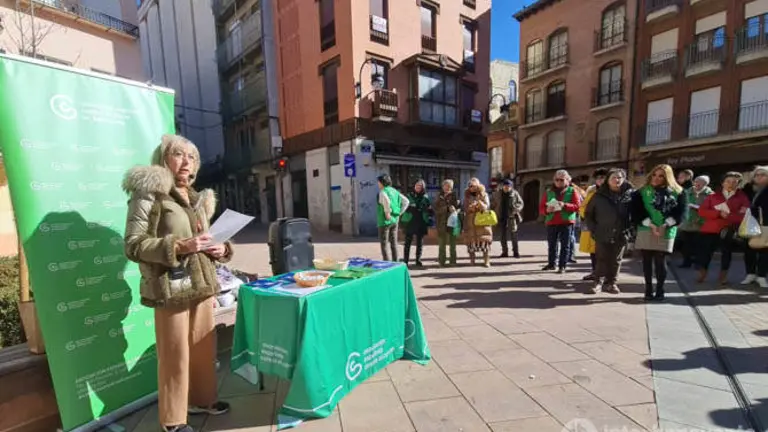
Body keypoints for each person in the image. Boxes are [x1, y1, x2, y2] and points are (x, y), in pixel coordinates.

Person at [123, 134, 233, 432]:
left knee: (202, 350)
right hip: (170, 288)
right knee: (175, 355)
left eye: (192, 157)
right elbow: (133, 245)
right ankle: (172, 421)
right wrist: (178, 247)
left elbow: (209, 239)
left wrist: (221, 249)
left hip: (202, 286)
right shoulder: (148, 194)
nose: (187, 162)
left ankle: (202, 401)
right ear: (163, 158)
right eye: (179, 154)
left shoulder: (196, 198)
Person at [632, 164, 687, 301]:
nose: (656, 178)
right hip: (646, 228)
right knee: (646, 260)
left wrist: (665, 225)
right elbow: (636, 211)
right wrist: (650, 224)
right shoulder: (642, 191)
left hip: (666, 229)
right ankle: (648, 289)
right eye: (655, 175)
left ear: (667, 177)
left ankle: (660, 290)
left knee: (660, 260)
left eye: (661, 176)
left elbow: (681, 213)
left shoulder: (679, 192)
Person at [585, 168, 634, 294]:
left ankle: (611, 283)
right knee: (601, 258)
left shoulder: (630, 194)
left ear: (624, 179)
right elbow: (589, 214)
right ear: (608, 180)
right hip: (602, 232)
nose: (616, 180)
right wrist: (594, 229)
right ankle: (597, 283)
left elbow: (636, 213)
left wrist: (631, 230)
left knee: (616, 260)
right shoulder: (598, 195)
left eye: (619, 177)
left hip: (621, 232)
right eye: (614, 177)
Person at [696, 172, 751, 285]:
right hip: (710, 229)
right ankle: (702, 272)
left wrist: (730, 216)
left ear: (738, 184)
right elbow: (702, 211)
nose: (731, 184)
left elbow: (745, 214)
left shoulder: (742, 197)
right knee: (705, 253)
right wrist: (718, 213)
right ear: (722, 183)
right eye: (728, 181)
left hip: (728, 229)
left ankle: (723, 275)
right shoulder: (713, 196)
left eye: (734, 182)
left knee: (727, 253)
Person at [539, 170, 582, 273]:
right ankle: (551, 264)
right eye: (556, 180)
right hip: (551, 221)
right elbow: (541, 207)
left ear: (568, 180)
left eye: (561, 180)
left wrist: (565, 205)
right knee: (552, 245)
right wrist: (546, 210)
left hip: (566, 222)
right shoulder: (548, 191)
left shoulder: (572, 191)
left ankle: (562, 266)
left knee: (565, 245)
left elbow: (578, 207)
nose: (558, 182)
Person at [678, 175, 713, 269]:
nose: (697, 184)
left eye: (700, 182)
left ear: (705, 184)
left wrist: (697, 208)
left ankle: (698, 263)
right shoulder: (687, 192)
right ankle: (686, 262)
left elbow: (712, 209)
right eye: (696, 181)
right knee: (685, 245)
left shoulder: (710, 195)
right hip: (687, 223)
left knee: (699, 245)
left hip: (701, 223)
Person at [579, 168, 608, 281]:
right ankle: (595, 272)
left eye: (603, 177)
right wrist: (585, 215)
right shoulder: (591, 191)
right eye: (598, 178)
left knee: (606, 252)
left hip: (607, 226)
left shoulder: (612, 191)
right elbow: (583, 206)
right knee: (593, 251)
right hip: (592, 225)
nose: (600, 180)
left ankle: (606, 275)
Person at [742, 166, 768, 288]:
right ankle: (750, 274)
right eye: (757, 175)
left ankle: (761, 276)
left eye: (763, 174)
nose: (759, 177)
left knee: (764, 250)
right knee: (749, 249)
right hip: (749, 224)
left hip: (765, 224)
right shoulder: (747, 189)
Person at [376, 174, 410, 262]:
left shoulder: (383, 191)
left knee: (384, 244)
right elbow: (406, 201)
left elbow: (386, 201)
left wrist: (387, 213)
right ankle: (396, 262)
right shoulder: (395, 191)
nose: (378, 184)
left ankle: (387, 263)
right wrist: (399, 213)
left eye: (378, 182)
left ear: (382, 182)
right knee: (394, 243)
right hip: (395, 220)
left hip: (385, 221)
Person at [464, 177, 493, 267]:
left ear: (478, 186)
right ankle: (472, 261)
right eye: (470, 186)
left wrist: (480, 204)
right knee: (471, 242)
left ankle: (486, 261)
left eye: (474, 186)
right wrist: (470, 207)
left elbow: (487, 207)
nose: (472, 187)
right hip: (471, 222)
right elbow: (464, 208)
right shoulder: (467, 196)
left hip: (482, 222)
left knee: (485, 241)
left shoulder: (484, 195)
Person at [402, 179, 432, 267]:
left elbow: (430, 210)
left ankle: (418, 260)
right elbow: (403, 207)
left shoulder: (426, 198)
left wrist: (427, 210)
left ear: (423, 188)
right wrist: (411, 208)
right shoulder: (409, 196)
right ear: (414, 186)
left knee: (420, 242)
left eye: (420, 186)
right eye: (416, 186)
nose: (418, 187)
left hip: (421, 221)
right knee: (407, 242)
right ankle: (405, 260)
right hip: (410, 221)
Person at [492, 179, 524, 258]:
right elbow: (493, 203)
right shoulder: (497, 194)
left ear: (511, 187)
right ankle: (504, 252)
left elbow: (521, 203)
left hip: (511, 217)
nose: (506, 187)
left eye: (508, 186)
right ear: (502, 186)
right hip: (501, 217)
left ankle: (516, 252)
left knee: (514, 235)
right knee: (502, 236)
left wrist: (516, 209)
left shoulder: (515, 193)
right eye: (505, 186)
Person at [435, 179, 461, 267]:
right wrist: (446, 208)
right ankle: (441, 261)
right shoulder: (439, 196)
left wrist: (456, 210)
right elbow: (435, 209)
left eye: (449, 186)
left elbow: (459, 208)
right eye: (445, 186)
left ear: (451, 187)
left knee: (453, 243)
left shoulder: (455, 196)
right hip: (441, 223)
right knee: (442, 244)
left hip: (452, 223)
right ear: (442, 187)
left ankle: (453, 261)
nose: (447, 188)